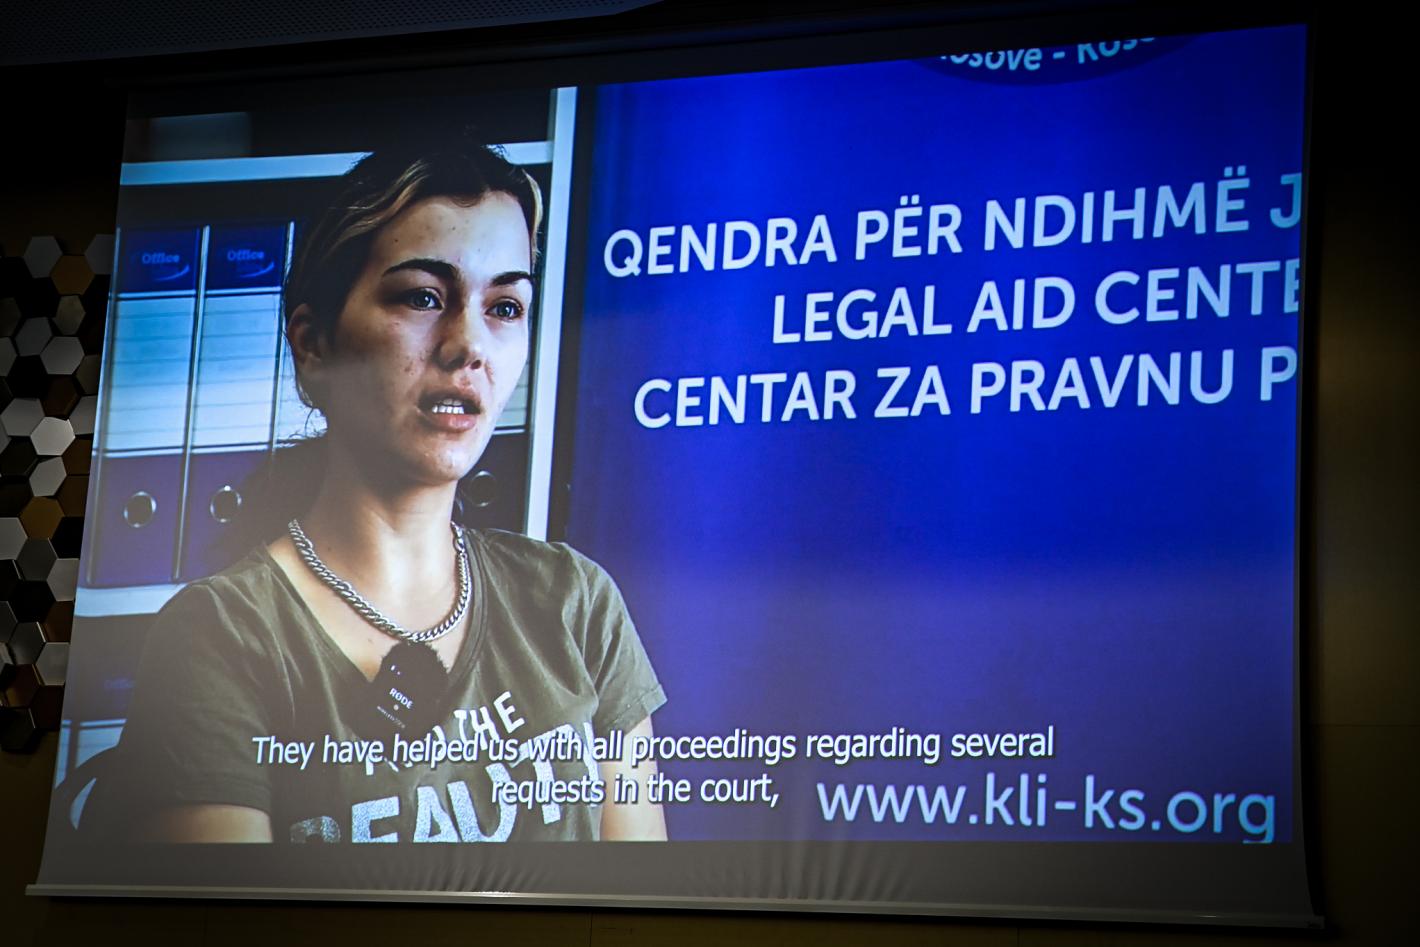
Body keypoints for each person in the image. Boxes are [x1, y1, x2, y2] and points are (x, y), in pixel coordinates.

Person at [107, 137, 667, 844]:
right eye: (423, 297)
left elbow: (635, 897)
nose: (469, 346)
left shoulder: (576, 604)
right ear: (313, 345)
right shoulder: (221, 638)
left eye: (504, 307)